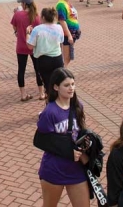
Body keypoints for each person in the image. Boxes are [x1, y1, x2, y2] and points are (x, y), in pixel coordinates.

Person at [36, 68, 90, 207]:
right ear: (56, 87)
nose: (71, 88)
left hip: (76, 169)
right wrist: (66, 151)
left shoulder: (78, 106)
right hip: (54, 169)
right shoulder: (49, 112)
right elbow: (42, 141)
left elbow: (80, 133)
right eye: (66, 85)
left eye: (73, 84)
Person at [10, 0, 44, 101]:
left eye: (21, 3)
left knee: (21, 70)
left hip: (21, 46)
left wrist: (17, 32)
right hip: (34, 46)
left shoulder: (18, 15)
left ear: (24, 4)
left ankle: (23, 94)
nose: (21, 4)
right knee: (38, 69)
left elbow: (14, 26)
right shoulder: (37, 16)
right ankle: (41, 93)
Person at [27, 8, 64, 93]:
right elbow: (61, 42)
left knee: (48, 85)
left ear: (43, 17)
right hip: (57, 58)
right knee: (59, 83)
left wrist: (28, 34)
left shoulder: (37, 29)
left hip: (44, 60)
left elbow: (30, 46)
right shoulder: (59, 27)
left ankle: (50, 103)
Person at [56, 0, 80, 67]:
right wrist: (69, 35)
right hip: (66, 33)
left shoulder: (67, 3)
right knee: (67, 57)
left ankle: (62, 71)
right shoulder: (61, 5)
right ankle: (62, 73)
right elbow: (62, 21)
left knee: (69, 56)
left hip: (72, 32)